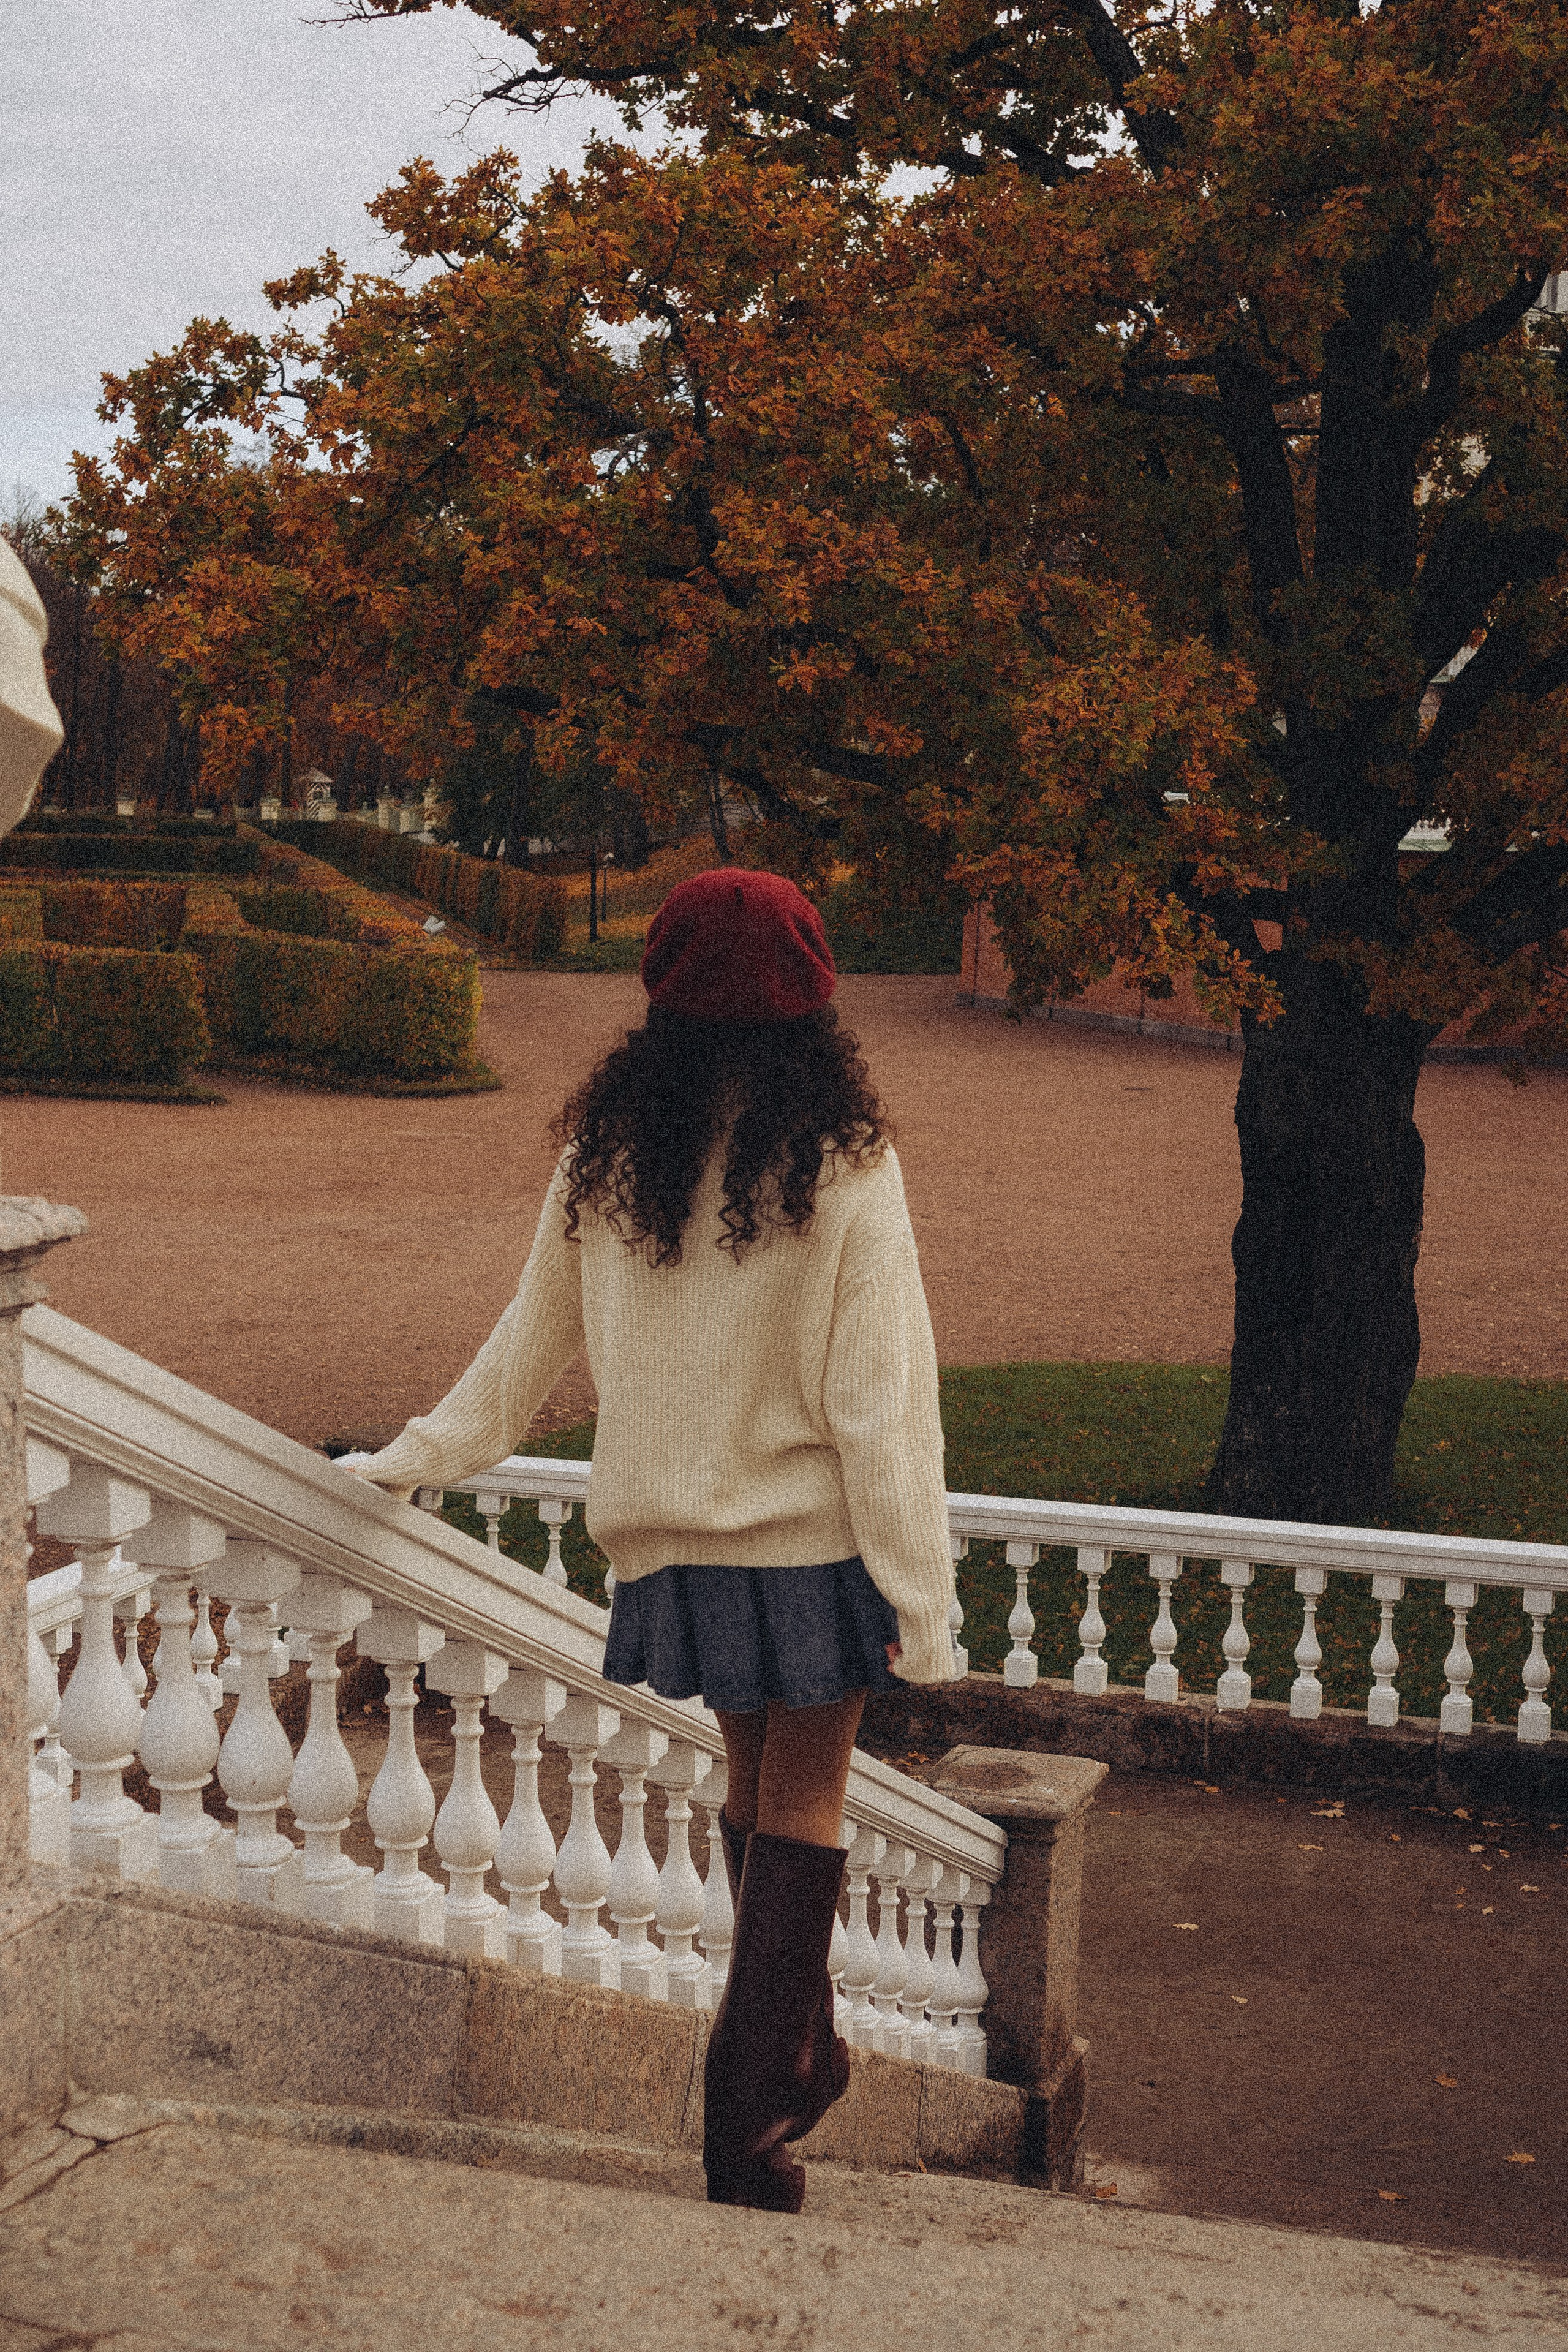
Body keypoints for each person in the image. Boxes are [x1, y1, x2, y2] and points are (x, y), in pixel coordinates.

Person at [352, 865, 957, 2211]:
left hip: (675, 1552)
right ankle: (750, 2124)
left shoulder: (607, 1159)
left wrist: (415, 1457)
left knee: (752, 1797)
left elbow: (524, 1353)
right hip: (810, 1548)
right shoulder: (847, 1163)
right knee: (803, 1807)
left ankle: (797, 2053)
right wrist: (923, 1600)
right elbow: (884, 1405)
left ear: (661, 997)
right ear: (814, 1003)